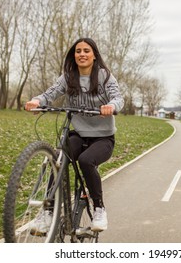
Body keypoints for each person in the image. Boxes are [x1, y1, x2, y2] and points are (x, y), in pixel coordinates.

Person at [25, 38, 124, 233]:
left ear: (94, 55)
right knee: (58, 159)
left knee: (86, 161)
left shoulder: (104, 76)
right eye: (78, 51)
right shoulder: (69, 77)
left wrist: (111, 106)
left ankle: (99, 209)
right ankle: (47, 212)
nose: (82, 54)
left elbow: (118, 97)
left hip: (103, 138)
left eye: (86, 50)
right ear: (74, 55)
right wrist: (37, 101)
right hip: (78, 134)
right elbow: (50, 93)